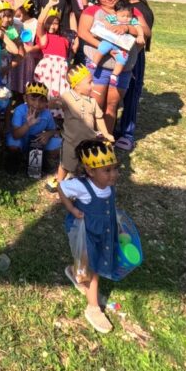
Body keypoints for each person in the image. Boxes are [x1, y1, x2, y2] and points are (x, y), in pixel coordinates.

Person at [58, 138, 124, 334]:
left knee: (94, 262)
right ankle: (93, 308)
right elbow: (61, 187)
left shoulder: (107, 184)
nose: (114, 175)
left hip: (103, 229)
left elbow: (107, 204)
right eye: (107, 170)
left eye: (115, 168)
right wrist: (71, 208)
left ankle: (74, 272)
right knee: (92, 268)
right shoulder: (81, 186)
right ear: (90, 171)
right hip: (85, 232)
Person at [78, 0, 145, 133]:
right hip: (99, 67)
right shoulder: (93, 10)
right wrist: (106, 49)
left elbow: (145, 31)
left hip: (122, 69)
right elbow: (83, 32)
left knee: (112, 106)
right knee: (95, 105)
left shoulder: (129, 9)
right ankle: (91, 138)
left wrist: (126, 27)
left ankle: (107, 140)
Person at [52, 64, 114, 191]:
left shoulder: (92, 101)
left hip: (89, 142)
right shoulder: (68, 97)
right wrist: (55, 103)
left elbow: (99, 118)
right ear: (76, 85)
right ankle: (60, 183)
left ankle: (83, 185)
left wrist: (106, 133)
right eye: (89, 82)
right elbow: (58, 104)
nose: (93, 86)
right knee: (65, 164)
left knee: (86, 165)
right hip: (70, 141)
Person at [116, 0, 154, 151]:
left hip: (134, 55)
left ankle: (127, 134)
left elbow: (145, 34)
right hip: (122, 52)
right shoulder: (129, 6)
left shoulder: (139, 10)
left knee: (132, 93)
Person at [6, 83, 61, 175]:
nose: (37, 104)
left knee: (58, 143)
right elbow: (15, 135)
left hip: (36, 142)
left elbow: (53, 130)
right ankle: (16, 159)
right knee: (13, 143)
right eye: (33, 99)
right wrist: (28, 124)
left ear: (46, 102)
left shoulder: (47, 114)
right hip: (20, 140)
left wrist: (48, 134)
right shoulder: (20, 110)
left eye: (42, 101)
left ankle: (41, 159)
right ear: (25, 98)